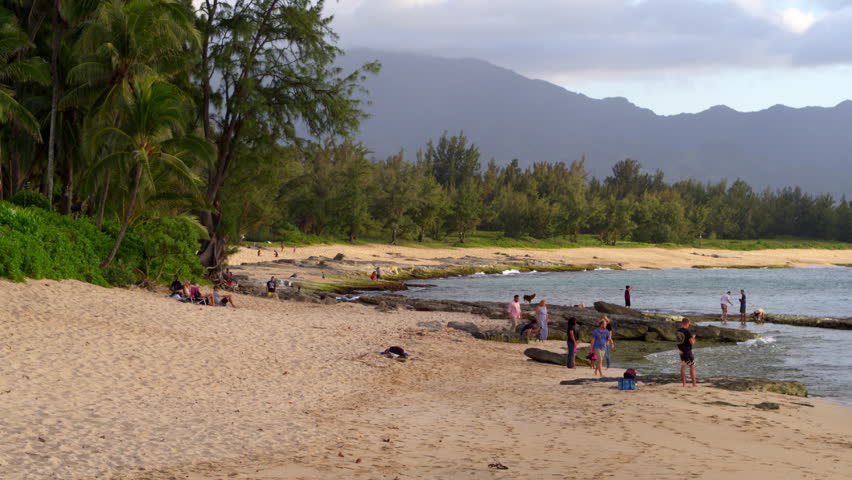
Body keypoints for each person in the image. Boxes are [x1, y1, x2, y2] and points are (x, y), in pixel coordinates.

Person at [677, 317, 697, 387]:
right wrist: (693, 337)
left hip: (681, 351)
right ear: (687, 323)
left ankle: (684, 384)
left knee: (683, 366)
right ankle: (694, 384)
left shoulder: (678, 331)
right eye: (689, 324)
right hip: (687, 352)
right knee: (692, 366)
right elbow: (692, 342)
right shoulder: (687, 331)